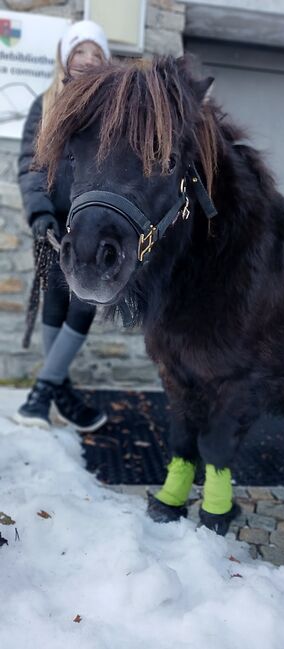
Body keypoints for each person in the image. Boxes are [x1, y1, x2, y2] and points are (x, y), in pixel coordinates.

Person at [14, 21, 110, 432]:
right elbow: (31, 165)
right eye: (79, 52)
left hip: (97, 226)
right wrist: (39, 214)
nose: (87, 60)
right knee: (55, 303)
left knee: (85, 305)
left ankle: (41, 394)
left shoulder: (113, 106)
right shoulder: (47, 104)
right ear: (65, 59)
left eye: (95, 53)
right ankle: (60, 395)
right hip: (55, 228)